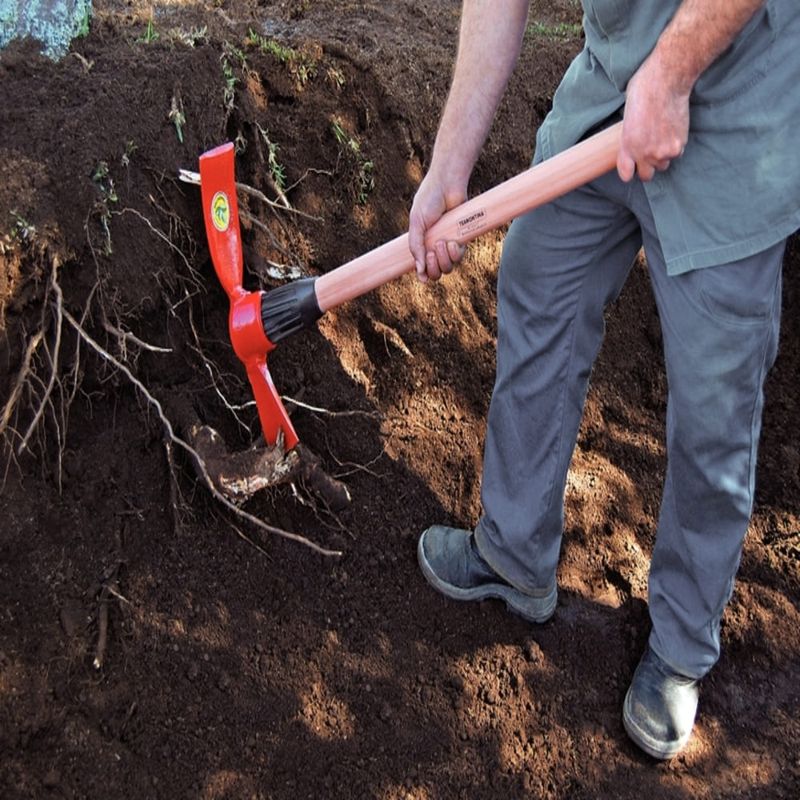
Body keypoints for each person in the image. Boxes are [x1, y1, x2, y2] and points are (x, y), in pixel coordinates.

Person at [408, 0, 800, 760]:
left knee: (715, 400)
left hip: (739, 119)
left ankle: (683, 646)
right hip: (612, 91)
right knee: (538, 279)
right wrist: (447, 167)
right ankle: (514, 554)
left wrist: (676, 67)